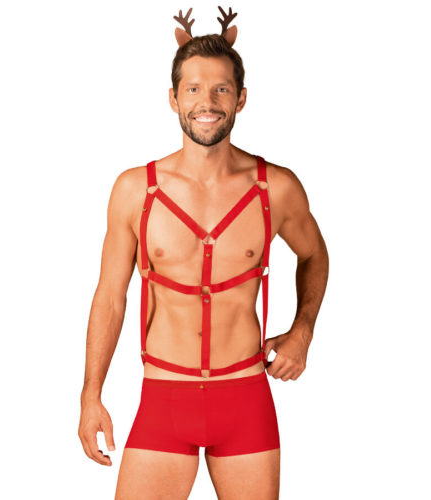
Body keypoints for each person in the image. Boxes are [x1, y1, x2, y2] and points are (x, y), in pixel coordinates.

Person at [78, 7, 329, 499]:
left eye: (221, 89)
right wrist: (91, 394)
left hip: (245, 397)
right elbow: (110, 297)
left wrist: (303, 330)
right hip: (163, 396)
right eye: (192, 89)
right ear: (173, 99)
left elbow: (315, 254)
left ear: (241, 98)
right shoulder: (135, 190)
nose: (206, 102)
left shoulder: (276, 188)